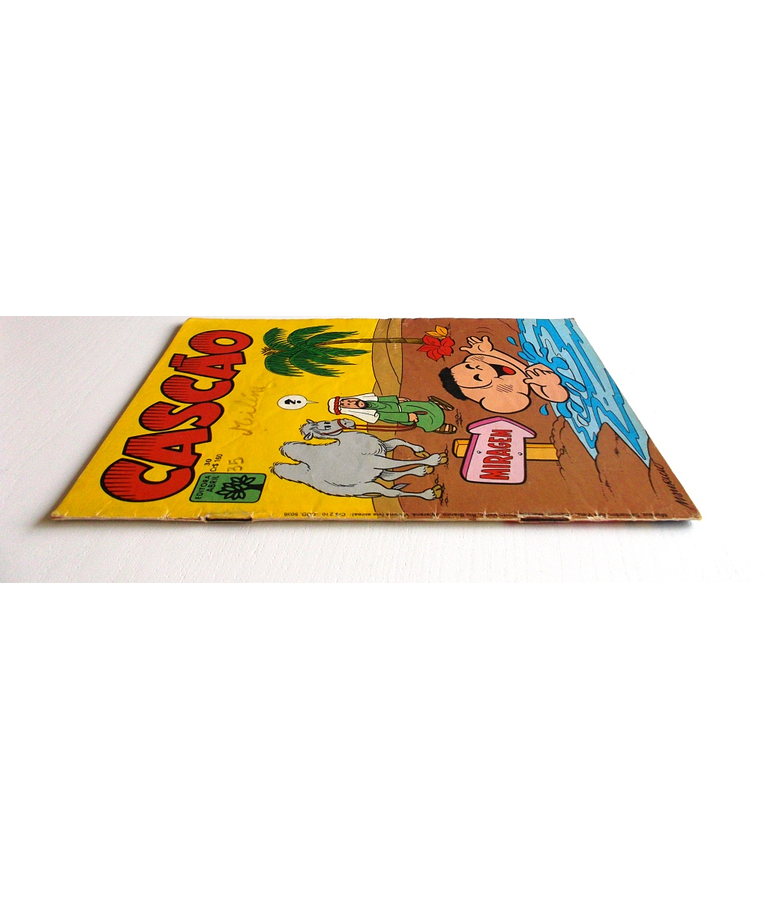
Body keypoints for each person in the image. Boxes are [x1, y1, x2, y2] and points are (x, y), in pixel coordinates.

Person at [439, 335, 569, 414]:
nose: (477, 367)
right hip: (540, 381)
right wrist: (548, 384)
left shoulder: (475, 359)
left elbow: (501, 358)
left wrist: (488, 351)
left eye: (468, 366)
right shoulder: (496, 396)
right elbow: (557, 397)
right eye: (477, 376)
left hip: (535, 364)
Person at [328, 394, 457, 434]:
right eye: (348, 404)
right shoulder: (374, 414)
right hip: (403, 414)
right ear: (350, 409)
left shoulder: (370, 400)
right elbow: (391, 417)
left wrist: (396, 399)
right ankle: (437, 425)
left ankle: (437, 405)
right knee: (424, 419)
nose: (352, 402)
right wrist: (408, 417)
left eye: (349, 400)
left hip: (404, 406)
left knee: (423, 406)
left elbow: (382, 399)